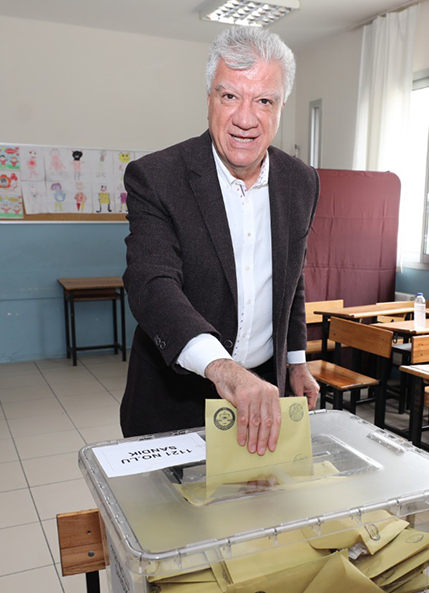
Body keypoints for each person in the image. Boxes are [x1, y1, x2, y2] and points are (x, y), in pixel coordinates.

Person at [120, 27, 320, 455]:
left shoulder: (302, 182)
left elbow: (292, 279)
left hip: (264, 394)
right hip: (176, 398)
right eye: (230, 96)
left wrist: (296, 361)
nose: (246, 119)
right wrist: (223, 368)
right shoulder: (157, 177)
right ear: (209, 97)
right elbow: (152, 285)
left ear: (281, 107)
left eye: (264, 101)